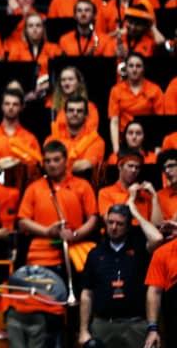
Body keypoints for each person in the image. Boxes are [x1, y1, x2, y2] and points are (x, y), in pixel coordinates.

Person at [79, 203, 161, 348]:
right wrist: (84, 330)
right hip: (103, 324)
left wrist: (135, 212)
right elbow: (87, 293)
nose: (114, 227)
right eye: (110, 222)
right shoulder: (95, 253)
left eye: (120, 224)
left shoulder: (139, 248)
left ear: (128, 226)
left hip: (135, 325)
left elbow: (157, 238)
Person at [17, 141, 98, 273]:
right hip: (41, 255)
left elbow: (93, 219)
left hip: (74, 253)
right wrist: (47, 232)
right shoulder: (33, 188)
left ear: (66, 161)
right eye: (47, 161)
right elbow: (22, 222)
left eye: (56, 160)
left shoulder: (82, 185)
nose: (52, 165)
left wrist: (76, 234)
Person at [108, 53, 164, 153]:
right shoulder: (116, 90)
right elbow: (114, 121)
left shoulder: (155, 90)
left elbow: (160, 121)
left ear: (143, 68)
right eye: (131, 66)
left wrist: (158, 146)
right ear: (126, 69)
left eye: (138, 66)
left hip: (147, 141)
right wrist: (116, 149)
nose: (134, 69)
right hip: (124, 141)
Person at [0, 89, 42, 172]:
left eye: (15, 104)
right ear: (2, 106)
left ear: (21, 107)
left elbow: (38, 167)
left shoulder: (30, 138)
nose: (11, 107)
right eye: (7, 104)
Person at [45, 95, 107, 176]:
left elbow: (85, 166)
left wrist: (56, 165)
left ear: (86, 115)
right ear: (65, 113)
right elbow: (45, 164)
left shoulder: (96, 141)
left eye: (79, 111)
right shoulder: (52, 138)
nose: (75, 114)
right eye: (71, 110)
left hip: (82, 185)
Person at [98, 149, 161, 224]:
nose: (134, 170)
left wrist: (154, 197)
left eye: (137, 167)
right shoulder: (105, 193)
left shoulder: (145, 195)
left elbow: (158, 225)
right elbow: (110, 223)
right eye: (130, 166)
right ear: (120, 166)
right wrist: (131, 198)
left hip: (142, 233)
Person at [156, 150, 177, 221]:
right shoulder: (160, 196)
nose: (167, 171)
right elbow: (161, 227)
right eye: (164, 168)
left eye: (171, 166)